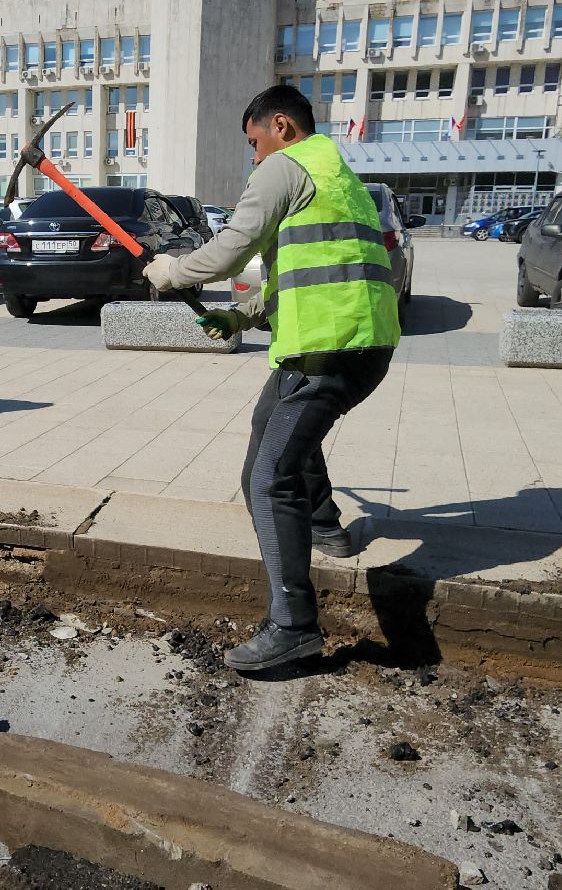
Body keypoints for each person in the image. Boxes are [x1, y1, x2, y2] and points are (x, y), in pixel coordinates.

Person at [143, 84, 399, 674]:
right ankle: (325, 527)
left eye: (254, 141)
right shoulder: (336, 173)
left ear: (279, 125)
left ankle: (294, 626)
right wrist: (239, 315)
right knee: (273, 440)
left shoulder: (286, 166)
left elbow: (233, 246)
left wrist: (170, 270)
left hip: (327, 351)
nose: (253, 157)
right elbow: (305, 276)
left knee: (268, 478)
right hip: (352, 343)